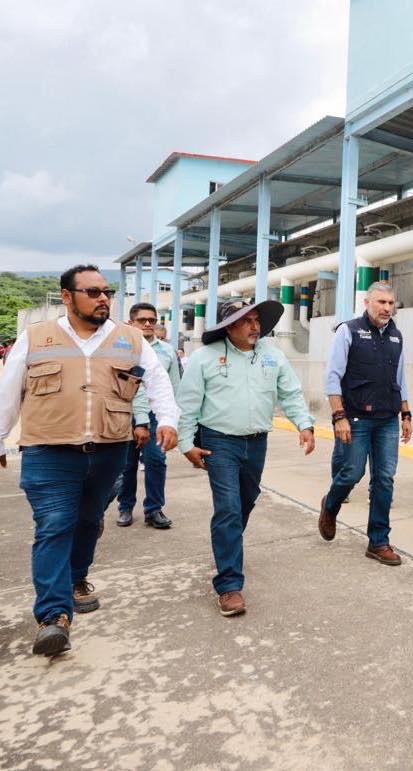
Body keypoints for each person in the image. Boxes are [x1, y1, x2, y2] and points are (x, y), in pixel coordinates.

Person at [0, 265, 178, 656]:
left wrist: (167, 420)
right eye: (93, 292)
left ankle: (76, 577)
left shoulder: (129, 339)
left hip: (109, 450)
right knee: (53, 525)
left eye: (107, 292)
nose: (103, 299)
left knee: (87, 521)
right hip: (48, 452)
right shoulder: (36, 338)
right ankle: (54, 617)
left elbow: (158, 380)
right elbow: (8, 392)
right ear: (67, 297)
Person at [176, 299, 315, 617]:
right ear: (228, 326)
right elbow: (188, 402)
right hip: (219, 441)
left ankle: (228, 547)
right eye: (246, 320)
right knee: (228, 508)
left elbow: (290, 393)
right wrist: (186, 443)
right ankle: (229, 585)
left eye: (257, 320)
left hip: (257, 442)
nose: (255, 326)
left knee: (246, 500)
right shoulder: (205, 358)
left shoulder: (272, 356)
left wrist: (304, 424)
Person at [318, 282, 411, 566]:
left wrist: (406, 414)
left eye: (391, 303)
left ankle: (378, 541)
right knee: (351, 473)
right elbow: (332, 376)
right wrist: (339, 416)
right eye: (381, 302)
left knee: (384, 479)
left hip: (387, 420)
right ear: (367, 303)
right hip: (356, 417)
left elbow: (401, 378)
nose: (386, 308)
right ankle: (330, 505)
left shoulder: (396, 335)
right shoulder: (349, 331)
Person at [116, 302, 182, 529]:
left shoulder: (166, 352)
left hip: (156, 417)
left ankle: (154, 509)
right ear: (130, 323)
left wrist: (173, 420)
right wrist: (138, 421)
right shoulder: (121, 350)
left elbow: (173, 387)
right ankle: (125, 507)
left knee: (156, 461)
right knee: (127, 464)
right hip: (127, 414)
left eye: (152, 320)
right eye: (142, 320)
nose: (147, 324)